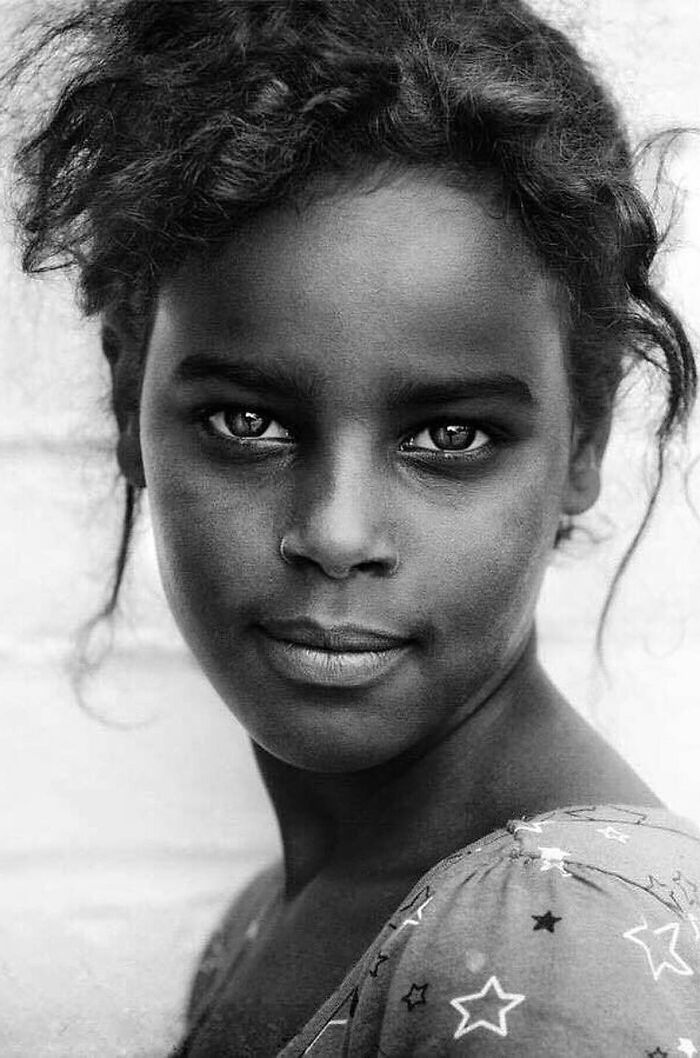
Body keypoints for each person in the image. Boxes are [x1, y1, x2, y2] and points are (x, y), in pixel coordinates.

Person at [8, 0, 700, 1053]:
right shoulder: (265, 919)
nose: (334, 533)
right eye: (249, 421)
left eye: (450, 436)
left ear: (584, 443)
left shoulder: (556, 939)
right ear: (127, 404)